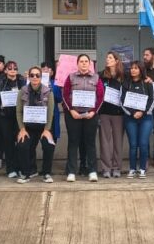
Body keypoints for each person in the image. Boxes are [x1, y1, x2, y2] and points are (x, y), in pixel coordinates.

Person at [62, 54, 104, 182]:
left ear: (90, 63)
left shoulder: (96, 78)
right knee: (73, 142)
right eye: (81, 61)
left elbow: (101, 96)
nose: (84, 63)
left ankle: (92, 171)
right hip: (73, 115)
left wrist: (93, 112)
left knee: (90, 143)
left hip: (90, 115)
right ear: (77, 63)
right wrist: (71, 110)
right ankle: (71, 172)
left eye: (86, 61)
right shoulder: (70, 77)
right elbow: (65, 95)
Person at [16, 66, 56, 184]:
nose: (34, 77)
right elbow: (18, 112)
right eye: (32, 75)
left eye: (37, 75)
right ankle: (26, 173)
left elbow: (50, 112)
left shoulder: (48, 92)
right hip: (28, 127)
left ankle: (47, 173)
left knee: (49, 146)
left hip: (44, 127)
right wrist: (22, 129)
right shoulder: (22, 91)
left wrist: (47, 130)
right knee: (22, 145)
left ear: (41, 77)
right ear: (28, 77)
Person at [122, 61, 154, 179]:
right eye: (131, 68)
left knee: (143, 144)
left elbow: (153, 100)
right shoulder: (126, 83)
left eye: (136, 68)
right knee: (133, 144)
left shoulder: (147, 83)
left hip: (146, 117)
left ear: (141, 69)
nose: (133, 70)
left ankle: (142, 169)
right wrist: (132, 113)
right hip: (130, 118)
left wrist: (143, 112)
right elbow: (122, 101)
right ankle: (132, 169)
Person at [98, 51, 126, 179]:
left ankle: (116, 167)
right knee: (105, 141)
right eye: (106, 57)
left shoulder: (123, 76)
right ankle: (106, 168)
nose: (107, 59)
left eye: (110, 58)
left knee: (117, 141)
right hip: (104, 112)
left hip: (119, 113)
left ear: (116, 60)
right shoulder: (101, 75)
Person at [0, 61, 26, 178]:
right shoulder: (0, 84)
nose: (13, 70)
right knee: (8, 143)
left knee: (20, 143)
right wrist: (0, 105)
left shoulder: (23, 82)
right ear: (5, 71)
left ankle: (20, 167)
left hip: (20, 116)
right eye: (10, 68)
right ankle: (10, 168)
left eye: (15, 68)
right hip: (5, 117)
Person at [41, 61, 64, 145]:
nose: (46, 71)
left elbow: (59, 99)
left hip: (52, 114)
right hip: (38, 114)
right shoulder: (35, 81)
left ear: (52, 73)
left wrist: (52, 90)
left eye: (48, 70)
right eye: (43, 69)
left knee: (52, 139)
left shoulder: (55, 83)